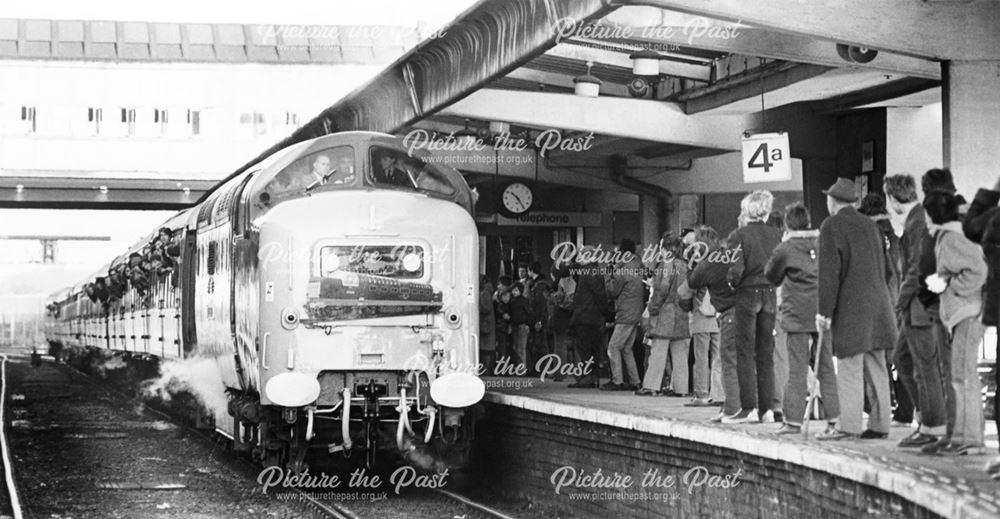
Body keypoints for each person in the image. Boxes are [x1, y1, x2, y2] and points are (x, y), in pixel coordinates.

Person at [816, 178, 897, 440]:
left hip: (853, 310)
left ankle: (848, 425)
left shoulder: (832, 225)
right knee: (878, 367)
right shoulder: (870, 225)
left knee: (849, 367)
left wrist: (824, 312)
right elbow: (887, 269)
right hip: (880, 306)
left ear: (832, 201)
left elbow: (829, 274)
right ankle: (881, 424)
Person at [885, 174, 951, 449]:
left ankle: (933, 425)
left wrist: (901, 301)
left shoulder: (915, 223)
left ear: (893, 199)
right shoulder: (919, 218)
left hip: (920, 306)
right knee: (904, 358)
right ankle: (927, 419)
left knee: (923, 365)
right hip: (923, 304)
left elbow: (915, 267)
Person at [764, 203, 840, 436]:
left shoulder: (786, 248)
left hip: (797, 315)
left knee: (796, 370)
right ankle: (835, 419)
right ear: (808, 221)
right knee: (826, 367)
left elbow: (771, 275)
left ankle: (793, 421)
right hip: (823, 312)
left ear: (788, 224)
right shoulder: (824, 241)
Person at [924, 191, 988, 455]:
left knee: (963, 376)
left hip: (967, 312)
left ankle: (970, 439)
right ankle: (964, 436)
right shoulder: (955, 234)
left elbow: (978, 270)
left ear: (933, 216)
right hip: (967, 312)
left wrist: (950, 285)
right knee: (961, 375)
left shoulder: (951, 238)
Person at [724, 190, 782, 423]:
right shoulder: (776, 235)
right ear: (766, 211)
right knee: (765, 353)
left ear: (747, 210)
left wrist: (731, 283)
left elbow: (735, 270)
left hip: (748, 294)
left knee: (745, 353)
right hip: (769, 294)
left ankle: (749, 408)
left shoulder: (739, 235)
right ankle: (767, 409)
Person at [859, 192, 912, 427]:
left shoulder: (869, 239)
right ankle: (905, 409)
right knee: (901, 358)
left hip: (877, 305)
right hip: (900, 303)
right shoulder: (899, 238)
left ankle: (874, 407)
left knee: (874, 359)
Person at [637, 234, 690, 396]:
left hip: (665, 313)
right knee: (680, 354)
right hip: (681, 313)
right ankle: (681, 389)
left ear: (667, 248)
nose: (659, 249)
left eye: (661, 246)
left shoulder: (666, 264)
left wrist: (653, 307)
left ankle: (651, 386)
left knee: (658, 352)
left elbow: (663, 288)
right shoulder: (684, 266)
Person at [680, 226, 722, 407]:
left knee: (701, 357)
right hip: (720, 315)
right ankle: (720, 394)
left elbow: (686, 290)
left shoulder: (698, 263)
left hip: (701, 315)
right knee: (719, 357)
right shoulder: (722, 260)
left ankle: (702, 394)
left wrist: (686, 305)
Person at [602, 239, 644, 390]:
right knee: (626, 348)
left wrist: (608, 275)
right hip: (636, 312)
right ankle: (635, 381)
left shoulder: (623, 270)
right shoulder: (639, 266)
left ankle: (617, 381)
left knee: (613, 347)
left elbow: (612, 292)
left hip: (625, 314)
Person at [569, 247, 611, 388]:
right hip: (592, 316)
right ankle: (592, 376)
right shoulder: (590, 271)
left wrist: (606, 312)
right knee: (591, 348)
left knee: (586, 347)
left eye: (581, 255)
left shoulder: (590, 271)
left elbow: (599, 294)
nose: (579, 257)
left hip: (587, 316)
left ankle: (589, 377)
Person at [767, 210, 789, 423]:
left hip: (774, 306)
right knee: (786, 357)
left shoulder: (774, 250)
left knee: (775, 357)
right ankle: (784, 404)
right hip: (791, 308)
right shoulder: (789, 246)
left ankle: (777, 403)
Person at [547, 268, 575, 381]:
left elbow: (555, 299)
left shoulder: (558, 284)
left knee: (558, 347)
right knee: (570, 346)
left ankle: (558, 373)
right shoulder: (573, 282)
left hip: (559, 317)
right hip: (569, 316)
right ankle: (575, 372)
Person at [527, 262, 550, 371]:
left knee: (539, 344)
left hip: (538, 317)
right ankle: (540, 368)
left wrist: (539, 320)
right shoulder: (542, 284)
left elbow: (540, 304)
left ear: (531, 270)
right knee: (539, 343)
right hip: (539, 317)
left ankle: (541, 368)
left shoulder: (538, 286)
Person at [479, 276, 497, 375]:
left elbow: (486, 308)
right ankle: (487, 370)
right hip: (488, 324)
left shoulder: (484, 293)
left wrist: (476, 307)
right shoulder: (488, 293)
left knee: (485, 350)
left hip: (485, 324)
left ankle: (486, 371)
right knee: (488, 349)